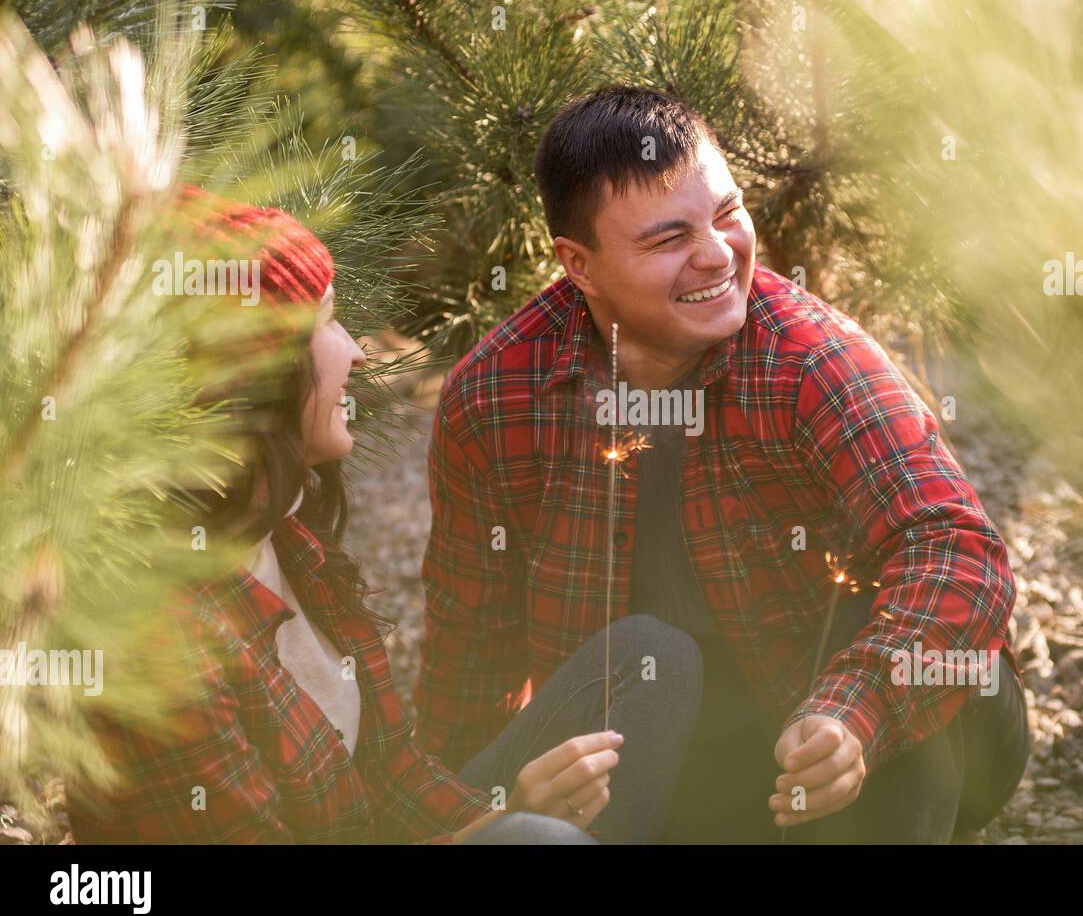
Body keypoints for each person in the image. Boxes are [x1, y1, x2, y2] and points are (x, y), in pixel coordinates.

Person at [415, 87, 1030, 843]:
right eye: (668, 238)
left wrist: (855, 711)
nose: (717, 253)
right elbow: (470, 647)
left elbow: (955, 545)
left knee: (941, 654)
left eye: (728, 213)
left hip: (843, 729)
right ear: (579, 264)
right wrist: (467, 808)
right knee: (654, 655)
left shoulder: (808, 356)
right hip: (679, 764)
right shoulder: (494, 396)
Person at [67, 186, 702, 845]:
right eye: (328, 323)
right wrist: (501, 827)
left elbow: (393, 772)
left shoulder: (285, 540)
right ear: (252, 373)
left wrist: (495, 816)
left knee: (650, 658)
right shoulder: (162, 641)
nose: (357, 353)